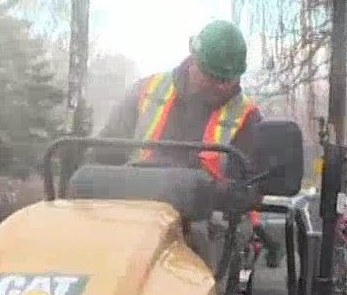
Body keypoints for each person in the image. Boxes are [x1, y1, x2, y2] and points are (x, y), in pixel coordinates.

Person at [101, 20, 263, 180]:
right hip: (136, 201)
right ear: (193, 62)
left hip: (209, 206)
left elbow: (250, 187)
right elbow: (103, 154)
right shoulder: (144, 91)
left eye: (228, 79)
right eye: (213, 77)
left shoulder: (248, 118)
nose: (222, 86)